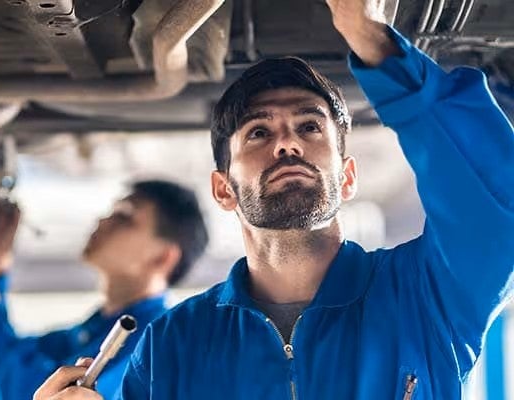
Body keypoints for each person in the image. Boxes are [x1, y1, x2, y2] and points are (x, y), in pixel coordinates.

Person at [33, 0, 514, 398]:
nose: (287, 144)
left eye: (310, 126)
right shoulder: (172, 346)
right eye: (258, 132)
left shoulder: (427, 296)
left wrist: (373, 41)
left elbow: (496, 206)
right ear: (223, 189)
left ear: (348, 178)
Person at [0, 179, 209, 400]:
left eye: (124, 217)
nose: (103, 220)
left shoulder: (152, 343)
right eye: (112, 211)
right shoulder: (98, 328)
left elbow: (30, 393)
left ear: (163, 257)